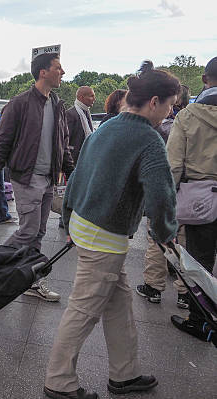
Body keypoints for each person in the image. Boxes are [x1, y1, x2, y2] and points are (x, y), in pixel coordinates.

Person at [43, 61, 180, 399]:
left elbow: (78, 174)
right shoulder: (149, 140)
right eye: (169, 105)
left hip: (86, 226)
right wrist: (166, 234)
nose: (169, 112)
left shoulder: (107, 126)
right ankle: (58, 383)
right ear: (154, 102)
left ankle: (125, 373)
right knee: (83, 310)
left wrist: (68, 218)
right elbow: (161, 197)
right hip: (105, 236)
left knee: (118, 304)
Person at [0, 50, 74, 302]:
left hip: (48, 179)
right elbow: (2, 140)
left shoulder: (57, 105)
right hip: (26, 177)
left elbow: (63, 143)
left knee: (38, 232)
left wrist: (71, 172)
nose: (63, 72)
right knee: (28, 231)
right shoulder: (20, 103)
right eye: (58, 67)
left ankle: (32, 280)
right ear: (43, 72)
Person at [166, 56, 217, 342]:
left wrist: (164, 205)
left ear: (205, 80)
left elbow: (173, 165)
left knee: (200, 261)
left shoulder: (188, 115)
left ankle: (200, 320)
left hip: (200, 199)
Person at [135, 85, 190, 308]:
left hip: (167, 191)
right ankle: (186, 293)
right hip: (193, 194)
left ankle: (154, 287)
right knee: (185, 246)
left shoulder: (163, 128)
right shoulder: (199, 124)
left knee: (157, 240)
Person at [65, 86, 95, 164]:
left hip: (86, 159)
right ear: (82, 97)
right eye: (91, 96)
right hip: (74, 161)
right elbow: (65, 141)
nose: (94, 99)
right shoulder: (70, 114)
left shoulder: (86, 113)